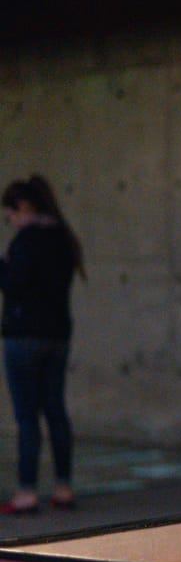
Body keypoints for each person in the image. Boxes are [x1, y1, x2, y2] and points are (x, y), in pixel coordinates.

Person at [0, 175, 85, 514]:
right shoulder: (63, 238)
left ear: (23, 207)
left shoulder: (26, 241)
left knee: (27, 416)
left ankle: (26, 491)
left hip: (24, 337)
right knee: (55, 411)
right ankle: (64, 487)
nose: (9, 221)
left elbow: (13, 285)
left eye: (9, 214)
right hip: (57, 336)